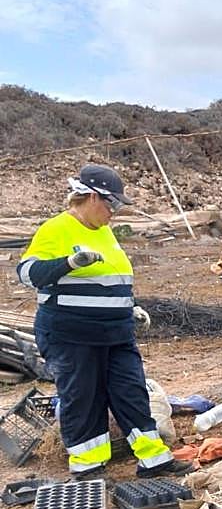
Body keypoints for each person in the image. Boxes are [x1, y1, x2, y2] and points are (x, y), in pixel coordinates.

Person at [17, 163, 193, 480]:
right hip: (72, 334)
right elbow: (28, 274)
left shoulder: (106, 232)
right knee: (83, 397)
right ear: (92, 197)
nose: (114, 211)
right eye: (111, 203)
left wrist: (130, 307)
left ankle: (153, 460)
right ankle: (88, 468)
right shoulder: (55, 229)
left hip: (116, 332)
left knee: (132, 391)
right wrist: (69, 263)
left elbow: (111, 279)